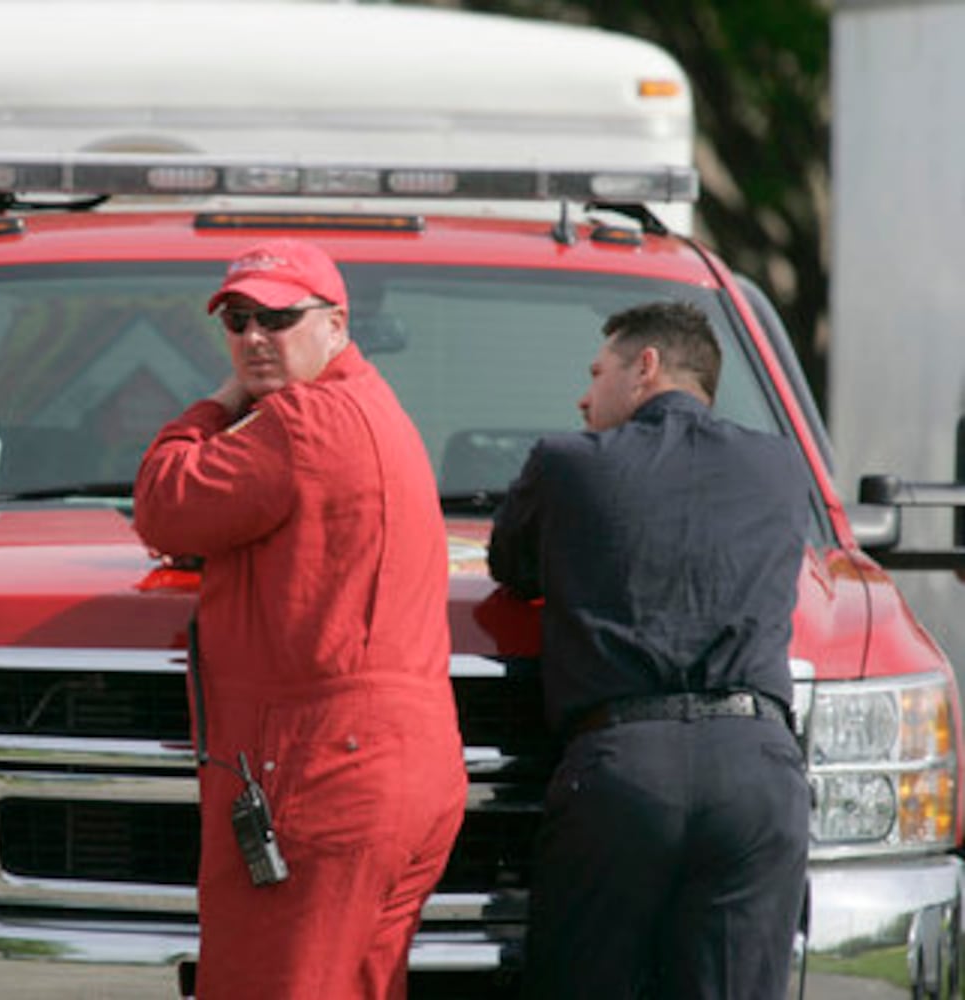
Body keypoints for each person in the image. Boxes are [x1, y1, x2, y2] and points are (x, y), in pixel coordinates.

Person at [133, 238, 467, 1000]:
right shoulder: (375, 408)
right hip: (400, 772)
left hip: (321, 774)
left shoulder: (300, 423)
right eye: (238, 320)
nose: (254, 337)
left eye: (278, 318)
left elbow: (163, 502)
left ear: (337, 325)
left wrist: (216, 403)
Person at [488, 301, 810, 999]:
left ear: (647, 367)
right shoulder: (784, 467)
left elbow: (510, 566)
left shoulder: (568, 464)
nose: (583, 394)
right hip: (759, 773)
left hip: (622, 773)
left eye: (597, 372)